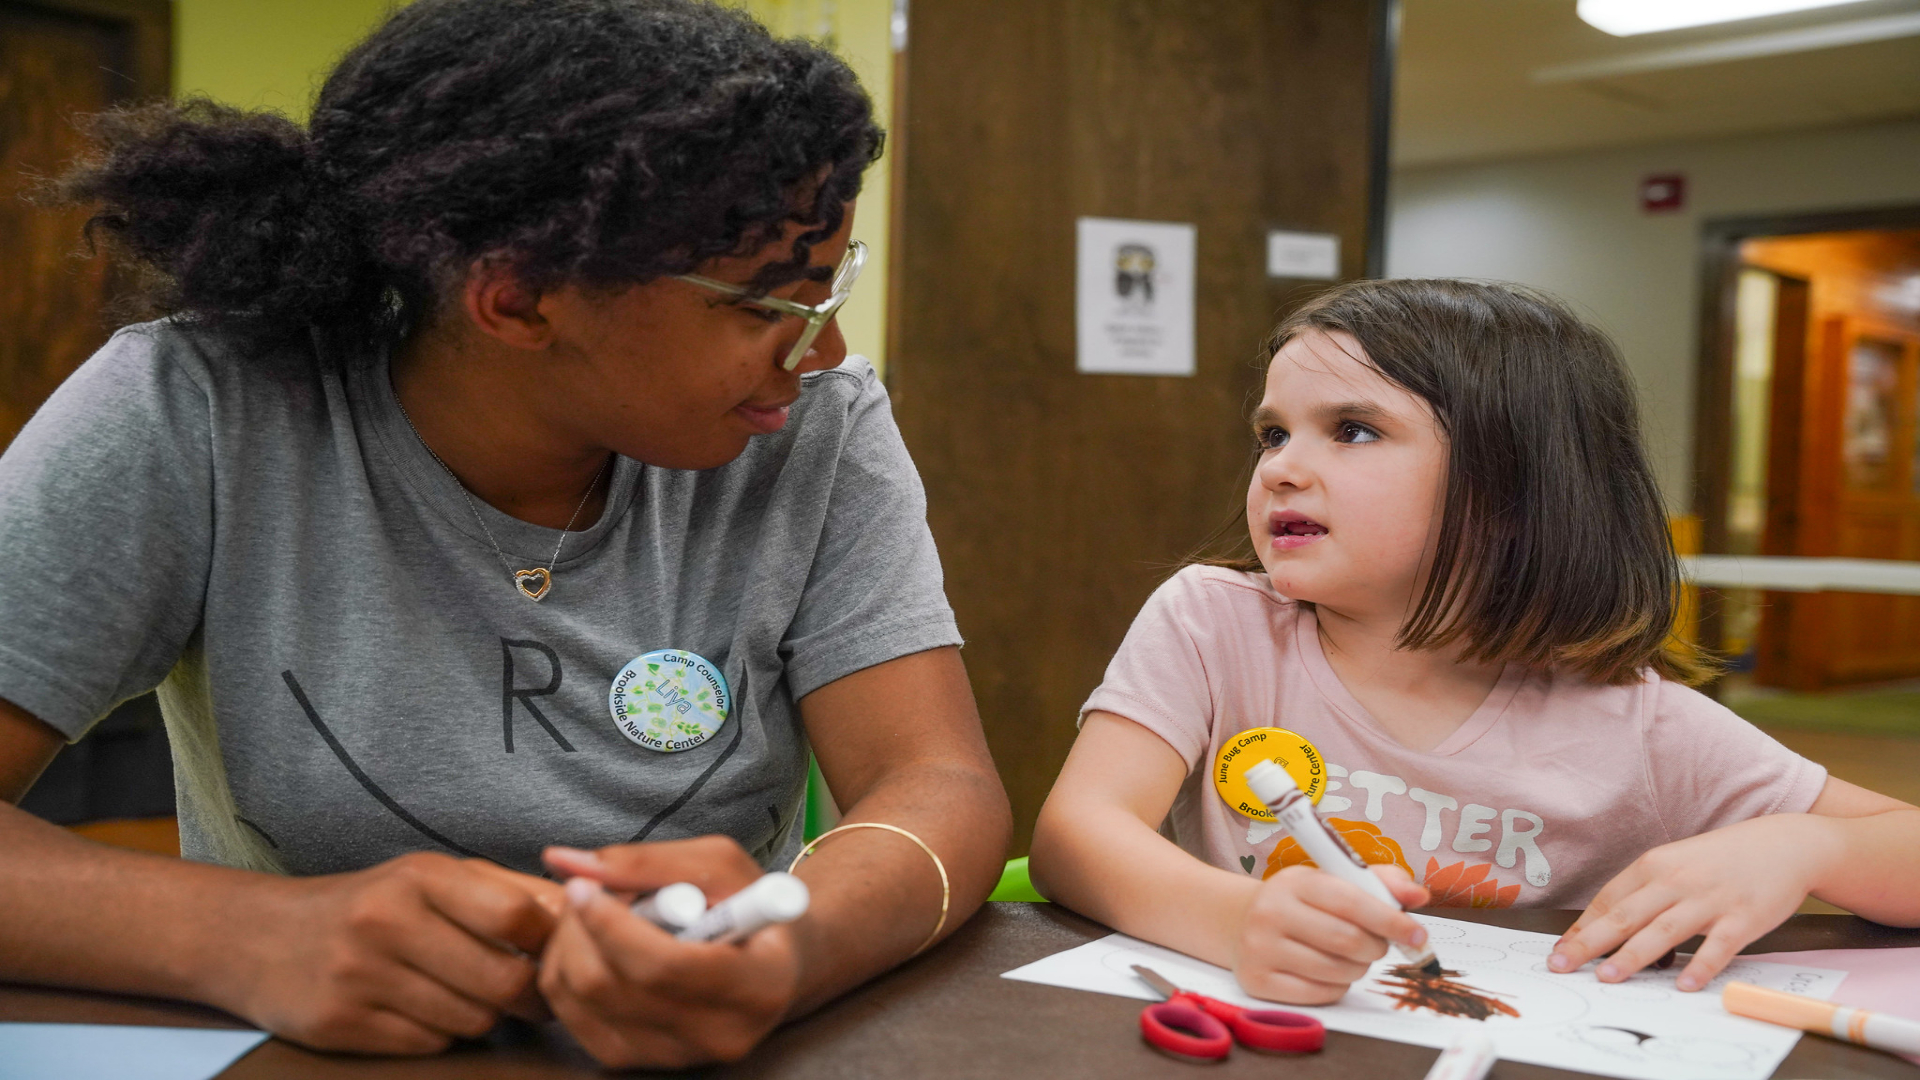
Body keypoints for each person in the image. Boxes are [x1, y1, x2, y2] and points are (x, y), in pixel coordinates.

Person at [0, 0, 1009, 1067]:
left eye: (831, 288)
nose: (824, 348)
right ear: (520, 302)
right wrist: (249, 937)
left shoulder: (818, 427)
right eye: (766, 308)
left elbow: (939, 784)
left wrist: (794, 943)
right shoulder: (196, 408)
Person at [1029, 278, 1920, 1006]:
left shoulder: (1639, 725)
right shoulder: (1211, 622)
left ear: (1513, 489)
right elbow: (1077, 834)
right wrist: (1234, 922)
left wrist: (1811, 848)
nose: (1280, 466)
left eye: (1352, 430)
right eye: (1272, 433)